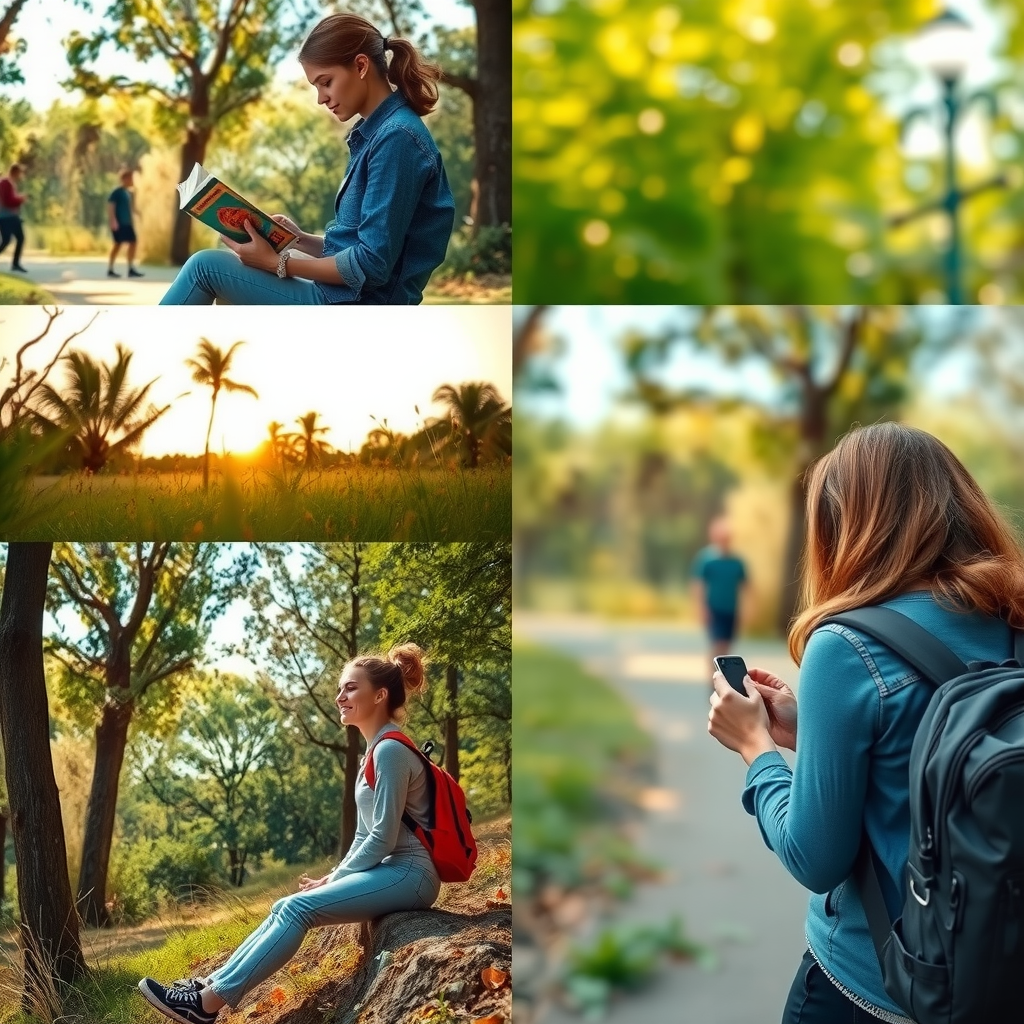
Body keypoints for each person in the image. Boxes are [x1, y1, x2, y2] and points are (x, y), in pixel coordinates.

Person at [705, 422, 1024, 1024]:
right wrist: (811, 729)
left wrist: (756, 750)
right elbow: (962, 748)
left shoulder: (847, 646)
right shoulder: (1013, 614)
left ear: (844, 524)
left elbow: (814, 857)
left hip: (881, 988)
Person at [138, 643, 441, 1024]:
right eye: (340, 688)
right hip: (394, 869)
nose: (339, 697)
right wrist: (333, 876)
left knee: (298, 909)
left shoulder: (391, 752)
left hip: (412, 873)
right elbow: (365, 834)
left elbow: (380, 837)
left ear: (379, 695)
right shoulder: (373, 752)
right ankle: (205, 986)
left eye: (350, 688)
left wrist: (335, 878)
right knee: (283, 906)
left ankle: (207, 1005)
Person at [160, 13, 455, 306]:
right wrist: (298, 238)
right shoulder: (379, 134)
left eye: (325, 82)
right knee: (235, 275)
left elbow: (372, 264)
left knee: (204, 267)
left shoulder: (396, 138)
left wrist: (278, 262)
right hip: (343, 296)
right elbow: (357, 245)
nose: (321, 98)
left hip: (354, 307)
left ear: (361, 65)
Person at [690, 516, 749, 675]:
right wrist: (701, 608)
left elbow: (746, 587)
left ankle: (723, 679)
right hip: (714, 609)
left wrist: (747, 610)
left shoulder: (737, 562)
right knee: (718, 646)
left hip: (731, 610)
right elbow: (698, 585)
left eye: (727, 538)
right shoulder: (707, 560)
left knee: (726, 648)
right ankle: (714, 679)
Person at [108, 169, 144, 278]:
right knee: (117, 245)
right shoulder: (117, 192)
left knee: (133, 242)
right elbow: (111, 206)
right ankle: (110, 269)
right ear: (124, 179)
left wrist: (137, 213)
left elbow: (131, 207)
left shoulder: (128, 193)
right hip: (119, 223)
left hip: (127, 223)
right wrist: (113, 220)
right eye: (130, 178)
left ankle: (130, 268)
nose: (132, 180)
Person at [0, 163, 28, 273]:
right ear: (15, 172)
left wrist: (18, 198)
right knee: (12, 239)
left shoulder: (7, 183)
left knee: (11, 239)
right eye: (20, 173)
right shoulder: (6, 183)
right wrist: (20, 199)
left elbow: (9, 199)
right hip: (7, 216)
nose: (21, 176)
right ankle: (15, 264)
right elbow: (7, 201)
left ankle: (15, 264)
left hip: (9, 216)